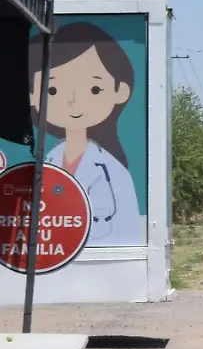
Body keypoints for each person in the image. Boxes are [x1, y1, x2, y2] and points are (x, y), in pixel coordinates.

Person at [29, 21, 145, 247]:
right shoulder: (46, 161)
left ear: (119, 91)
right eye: (52, 90)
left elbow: (130, 234)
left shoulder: (114, 173)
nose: (72, 100)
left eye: (94, 89)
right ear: (32, 96)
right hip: (50, 258)